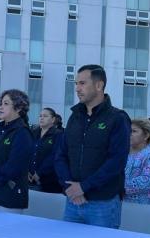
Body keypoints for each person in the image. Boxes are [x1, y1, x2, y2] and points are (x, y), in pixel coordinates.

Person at [55, 65, 131, 228]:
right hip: (73, 201)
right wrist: (70, 188)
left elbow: (117, 161)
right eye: (76, 84)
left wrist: (84, 187)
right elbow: (61, 155)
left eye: (82, 83)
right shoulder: (74, 117)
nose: (77, 88)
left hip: (103, 203)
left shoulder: (117, 118)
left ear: (99, 85)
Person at [124, 119, 150, 204]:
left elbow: (147, 181)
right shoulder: (121, 153)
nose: (129, 134)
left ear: (146, 135)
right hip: (119, 204)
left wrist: (114, 187)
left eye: (134, 131)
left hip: (145, 207)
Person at [29, 108, 62, 193]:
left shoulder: (58, 134)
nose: (41, 118)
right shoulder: (33, 132)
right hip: (30, 178)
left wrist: (39, 173)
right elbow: (27, 152)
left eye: (45, 116)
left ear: (53, 119)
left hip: (48, 180)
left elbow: (54, 155)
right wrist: (27, 170)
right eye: (40, 116)